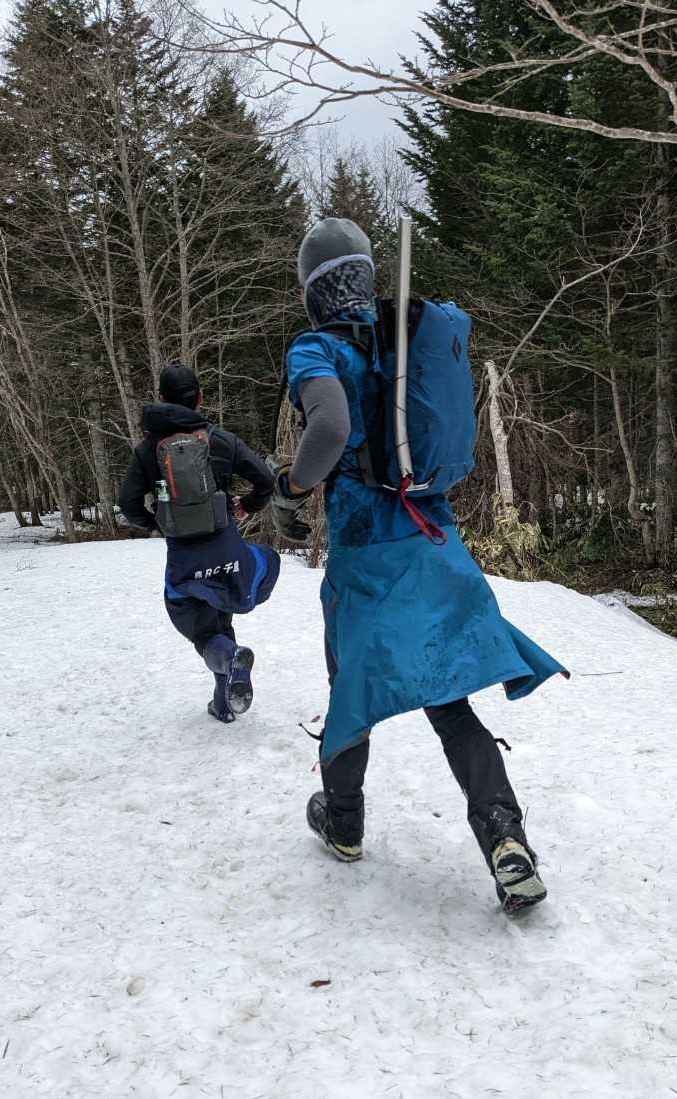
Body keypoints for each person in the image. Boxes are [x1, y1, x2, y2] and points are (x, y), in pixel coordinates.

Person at [269, 218, 568, 915]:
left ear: (312, 289)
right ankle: (505, 837)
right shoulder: (399, 341)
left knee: (352, 689)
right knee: (449, 696)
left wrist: (290, 488)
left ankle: (344, 823)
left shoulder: (317, 348)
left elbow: (331, 426)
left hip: (367, 556)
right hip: (432, 541)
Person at [119, 362, 279, 723]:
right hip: (227, 550)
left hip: (185, 560)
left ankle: (231, 661)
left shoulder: (147, 450)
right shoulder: (220, 440)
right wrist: (247, 505)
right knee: (223, 612)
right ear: (200, 398)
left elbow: (128, 504)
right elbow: (265, 481)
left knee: (203, 629)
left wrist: (158, 524)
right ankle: (223, 701)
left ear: (162, 398)